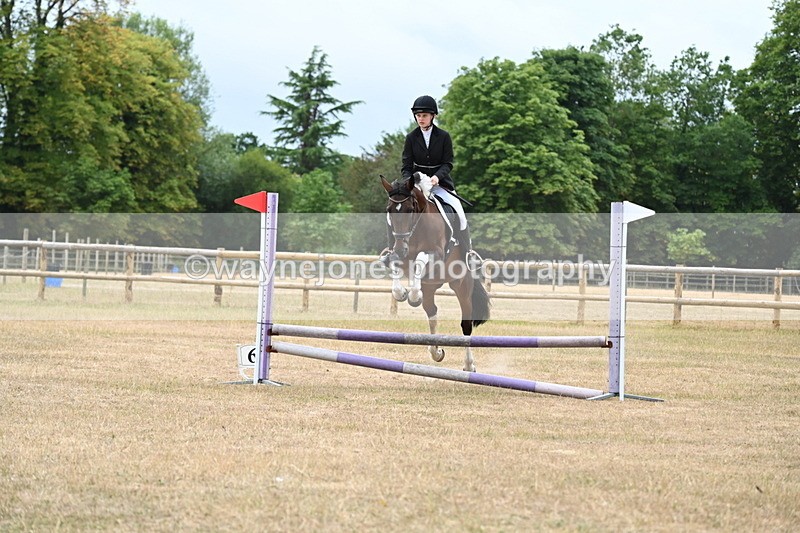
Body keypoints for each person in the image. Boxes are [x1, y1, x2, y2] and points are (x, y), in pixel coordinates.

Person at [380, 95, 477, 267]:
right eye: (418, 116)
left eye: (424, 115)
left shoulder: (444, 136)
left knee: (460, 214)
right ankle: (391, 250)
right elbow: (406, 165)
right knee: (392, 213)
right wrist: (408, 183)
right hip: (417, 184)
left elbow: (448, 163)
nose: (421, 119)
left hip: (440, 184)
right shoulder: (411, 137)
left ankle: (468, 253)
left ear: (433, 116)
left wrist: (437, 177)